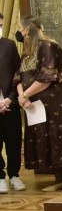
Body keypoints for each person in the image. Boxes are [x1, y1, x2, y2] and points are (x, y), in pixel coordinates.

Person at [14, 16, 62, 193]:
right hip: (37, 105)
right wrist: (21, 97)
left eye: (20, 28)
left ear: (28, 30)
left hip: (58, 103)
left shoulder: (48, 46)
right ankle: (60, 178)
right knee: (46, 137)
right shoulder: (27, 52)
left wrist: (24, 95)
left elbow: (47, 78)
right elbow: (18, 77)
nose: (19, 32)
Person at [0, 14, 24, 193]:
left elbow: (17, 73)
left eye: (1, 25)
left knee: (14, 140)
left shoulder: (8, 46)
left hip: (10, 103)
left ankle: (14, 175)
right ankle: (0, 178)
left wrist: (9, 98)